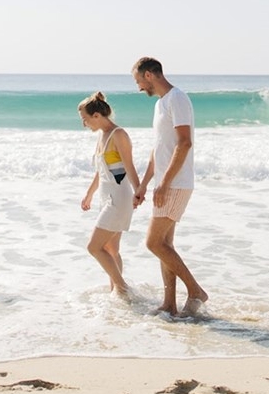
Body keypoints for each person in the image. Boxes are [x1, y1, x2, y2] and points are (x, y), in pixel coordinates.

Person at [131, 57, 208, 316]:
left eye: (139, 80)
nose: (139, 87)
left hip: (176, 183)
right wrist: (144, 184)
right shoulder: (161, 105)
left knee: (153, 243)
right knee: (165, 245)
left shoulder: (177, 99)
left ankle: (195, 290)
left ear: (150, 75)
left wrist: (164, 183)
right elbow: (159, 150)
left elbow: (184, 143)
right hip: (166, 184)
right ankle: (170, 305)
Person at [78, 91, 141, 297]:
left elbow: (129, 166)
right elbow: (101, 171)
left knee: (94, 247)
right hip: (106, 198)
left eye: (85, 119)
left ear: (97, 115)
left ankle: (122, 288)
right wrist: (89, 195)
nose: (84, 124)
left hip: (119, 199)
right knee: (111, 249)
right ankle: (116, 293)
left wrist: (139, 190)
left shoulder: (118, 135)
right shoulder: (102, 136)